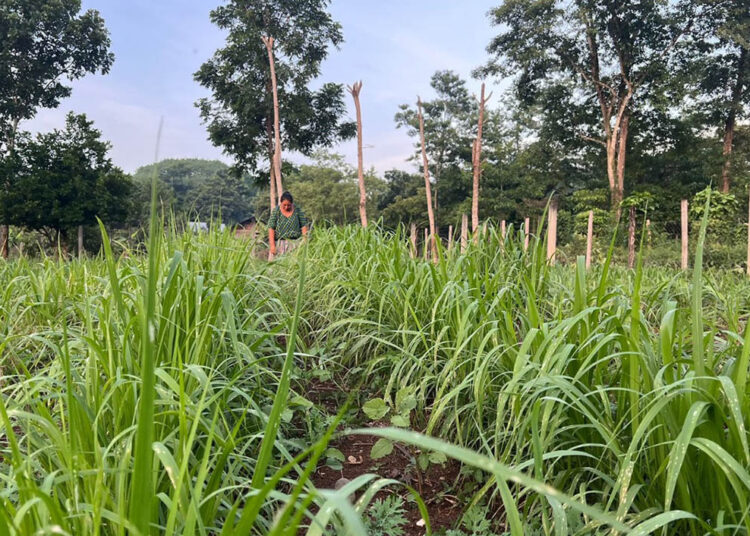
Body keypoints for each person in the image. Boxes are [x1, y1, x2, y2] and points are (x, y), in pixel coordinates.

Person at [267, 191, 309, 258]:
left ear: (292, 203)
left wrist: (304, 240)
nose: (286, 207)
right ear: (281, 203)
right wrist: (272, 245)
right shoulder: (276, 211)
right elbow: (271, 227)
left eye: (289, 205)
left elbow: (304, 225)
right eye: (284, 205)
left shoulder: (297, 210)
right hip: (280, 244)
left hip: (295, 243)